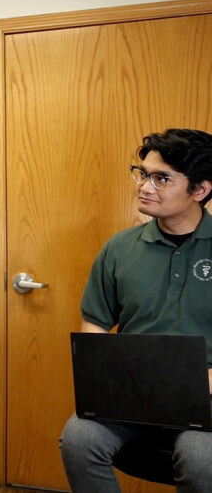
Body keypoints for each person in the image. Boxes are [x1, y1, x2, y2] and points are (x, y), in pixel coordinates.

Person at [59, 128, 212, 492]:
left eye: (162, 179)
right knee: (79, 439)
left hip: (206, 399)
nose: (145, 186)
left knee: (201, 461)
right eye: (143, 174)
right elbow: (95, 323)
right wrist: (102, 382)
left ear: (200, 190)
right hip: (133, 395)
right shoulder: (120, 248)